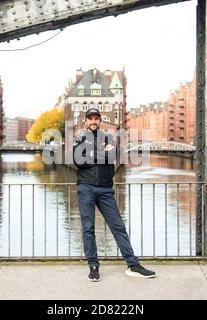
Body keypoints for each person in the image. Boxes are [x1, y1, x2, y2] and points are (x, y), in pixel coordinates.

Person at [73, 107, 156, 282]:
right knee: (88, 228)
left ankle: (133, 265)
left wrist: (91, 154)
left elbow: (111, 157)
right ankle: (93, 267)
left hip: (105, 189)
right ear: (86, 121)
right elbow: (78, 161)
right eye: (90, 118)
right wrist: (100, 153)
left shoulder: (108, 137)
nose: (93, 121)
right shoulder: (80, 138)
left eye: (96, 118)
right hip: (86, 188)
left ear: (100, 120)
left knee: (118, 226)